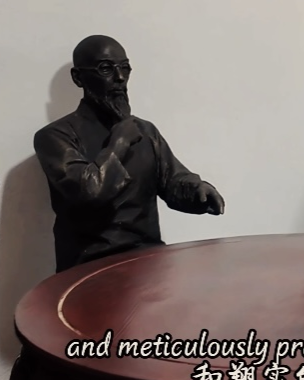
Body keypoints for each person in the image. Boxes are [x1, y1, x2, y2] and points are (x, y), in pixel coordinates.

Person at [34, 35, 225, 271]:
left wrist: (196, 190)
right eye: (106, 69)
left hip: (148, 259)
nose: (120, 78)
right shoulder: (55, 137)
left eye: (125, 68)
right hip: (88, 267)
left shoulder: (145, 131)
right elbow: (90, 191)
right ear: (78, 77)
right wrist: (120, 141)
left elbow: (172, 180)